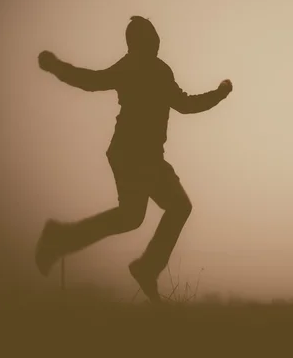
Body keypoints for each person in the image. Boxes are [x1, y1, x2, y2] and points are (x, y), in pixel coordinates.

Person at [35, 16, 233, 303]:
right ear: (149, 41)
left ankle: (64, 239)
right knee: (174, 207)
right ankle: (143, 267)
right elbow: (186, 104)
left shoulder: (145, 67)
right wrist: (220, 93)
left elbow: (93, 81)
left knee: (133, 216)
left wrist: (56, 68)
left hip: (135, 155)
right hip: (136, 155)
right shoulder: (143, 66)